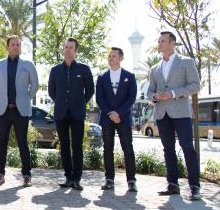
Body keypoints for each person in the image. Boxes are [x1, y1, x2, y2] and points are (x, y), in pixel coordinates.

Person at [147, 31, 201, 200]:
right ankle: (173, 185)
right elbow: (149, 91)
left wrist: (173, 93)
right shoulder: (154, 68)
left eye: (163, 41)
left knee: (187, 147)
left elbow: (195, 86)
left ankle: (194, 186)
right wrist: (154, 97)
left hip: (181, 112)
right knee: (168, 149)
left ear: (173, 43)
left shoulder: (186, 62)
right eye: (159, 41)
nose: (160, 43)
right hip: (162, 113)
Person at [0, 35, 39, 187]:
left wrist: (25, 98)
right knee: (2, 142)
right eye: (13, 44)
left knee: (22, 142)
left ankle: (26, 175)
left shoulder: (28, 65)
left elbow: (35, 84)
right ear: (7, 47)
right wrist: (1, 98)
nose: (15, 46)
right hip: (3, 110)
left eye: (18, 44)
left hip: (21, 110)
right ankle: (0, 174)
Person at [48, 38, 94, 191]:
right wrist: (62, 101)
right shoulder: (55, 70)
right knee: (64, 146)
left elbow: (90, 90)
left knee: (77, 146)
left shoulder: (84, 69)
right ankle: (68, 177)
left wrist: (81, 102)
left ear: (76, 51)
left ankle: (77, 179)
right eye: (66, 47)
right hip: (61, 113)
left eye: (71, 48)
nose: (67, 50)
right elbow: (51, 91)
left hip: (77, 113)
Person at [96, 47, 137, 192]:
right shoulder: (102, 77)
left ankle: (131, 181)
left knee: (128, 149)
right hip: (107, 119)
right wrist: (110, 114)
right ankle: (109, 180)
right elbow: (99, 98)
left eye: (113, 56)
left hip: (123, 119)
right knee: (108, 149)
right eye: (109, 56)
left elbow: (131, 98)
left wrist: (118, 113)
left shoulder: (129, 76)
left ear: (121, 58)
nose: (110, 58)